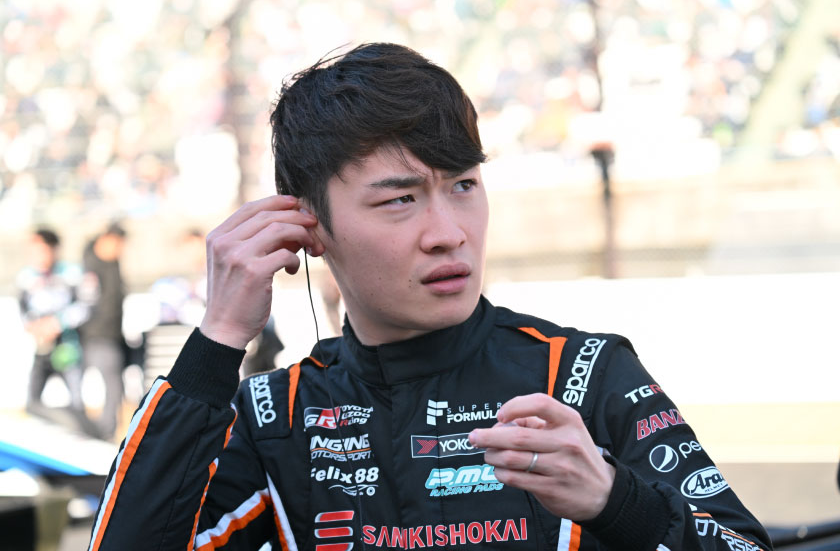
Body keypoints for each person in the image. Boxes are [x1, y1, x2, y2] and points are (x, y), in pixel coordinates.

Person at [88, 43, 772, 550]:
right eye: (401, 200)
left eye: (464, 185)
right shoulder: (277, 415)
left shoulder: (585, 375)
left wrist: (616, 502)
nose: (449, 233)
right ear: (309, 226)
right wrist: (216, 343)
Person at [17, 228, 92, 429]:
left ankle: (83, 434)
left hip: (69, 348)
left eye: (42, 250)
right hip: (41, 349)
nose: (38, 256)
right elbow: (23, 310)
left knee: (76, 403)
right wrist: (35, 327)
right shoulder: (26, 277)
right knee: (32, 403)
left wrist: (57, 323)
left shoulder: (72, 273)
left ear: (54, 249)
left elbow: (85, 306)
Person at [80, 222, 128, 440]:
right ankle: (102, 432)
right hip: (95, 336)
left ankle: (105, 431)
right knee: (108, 385)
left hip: (111, 335)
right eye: (116, 243)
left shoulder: (111, 264)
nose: (119, 249)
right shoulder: (90, 267)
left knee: (113, 385)